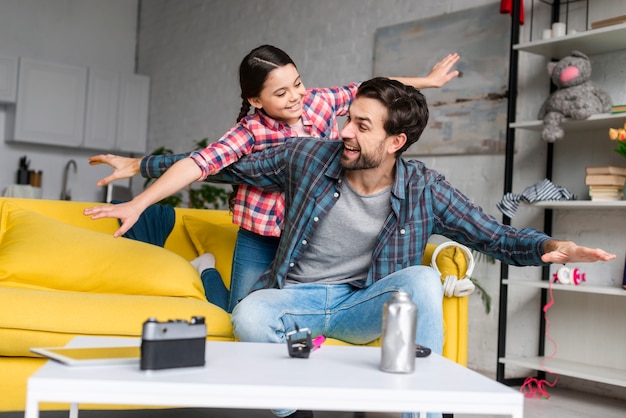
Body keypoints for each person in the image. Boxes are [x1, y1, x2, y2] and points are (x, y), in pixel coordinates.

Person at [85, 77, 616, 418]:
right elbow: (222, 164)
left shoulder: (424, 188)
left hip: (360, 304)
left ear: (394, 142)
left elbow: (490, 233)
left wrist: (547, 245)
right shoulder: (307, 157)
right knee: (248, 313)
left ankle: (421, 415)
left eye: (360, 125)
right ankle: (294, 409)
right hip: (296, 300)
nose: (343, 131)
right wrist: (141, 166)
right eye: (347, 118)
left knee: (423, 280)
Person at [87, 44, 460, 313]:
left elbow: (372, 90)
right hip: (261, 237)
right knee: (238, 316)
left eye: (297, 83)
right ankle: (206, 271)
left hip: (305, 239)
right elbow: (200, 164)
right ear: (255, 100)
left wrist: (426, 81)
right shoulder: (248, 133)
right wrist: (139, 200)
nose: (296, 97)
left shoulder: (317, 102)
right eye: (281, 93)